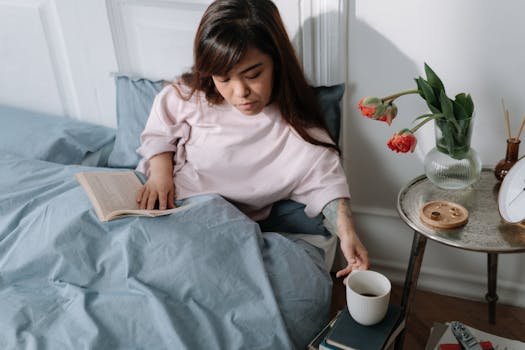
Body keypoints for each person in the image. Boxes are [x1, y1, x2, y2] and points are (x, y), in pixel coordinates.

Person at [135, 0, 369, 279]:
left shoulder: (301, 136)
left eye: (253, 75)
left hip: (216, 229)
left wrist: (347, 233)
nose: (239, 92)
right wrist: (160, 175)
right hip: (158, 209)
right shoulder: (189, 96)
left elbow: (328, 187)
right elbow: (159, 132)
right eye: (223, 79)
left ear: (278, 62)